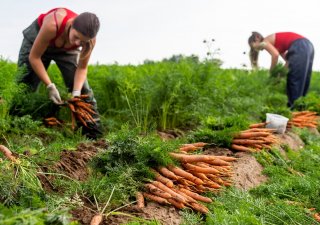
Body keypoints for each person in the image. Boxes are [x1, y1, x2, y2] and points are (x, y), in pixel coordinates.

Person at [16, 7, 102, 139]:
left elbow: (82, 68)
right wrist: (50, 85)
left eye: (83, 42)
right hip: (37, 42)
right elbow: (34, 57)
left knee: (84, 92)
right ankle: (17, 126)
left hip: (65, 50)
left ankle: (93, 135)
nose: (78, 43)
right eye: (77, 37)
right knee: (25, 85)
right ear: (71, 24)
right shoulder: (53, 24)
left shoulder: (89, 41)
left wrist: (76, 93)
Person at [248, 31, 314, 109]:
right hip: (308, 46)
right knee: (303, 79)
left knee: (294, 81)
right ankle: (300, 111)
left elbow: (275, 55)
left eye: (253, 46)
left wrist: (271, 74)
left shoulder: (265, 41)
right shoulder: (277, 44)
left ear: (257, 38)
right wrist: (281, 74)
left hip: (299, 45)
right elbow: (288, 61)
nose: (256, 49)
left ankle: (293, 112)